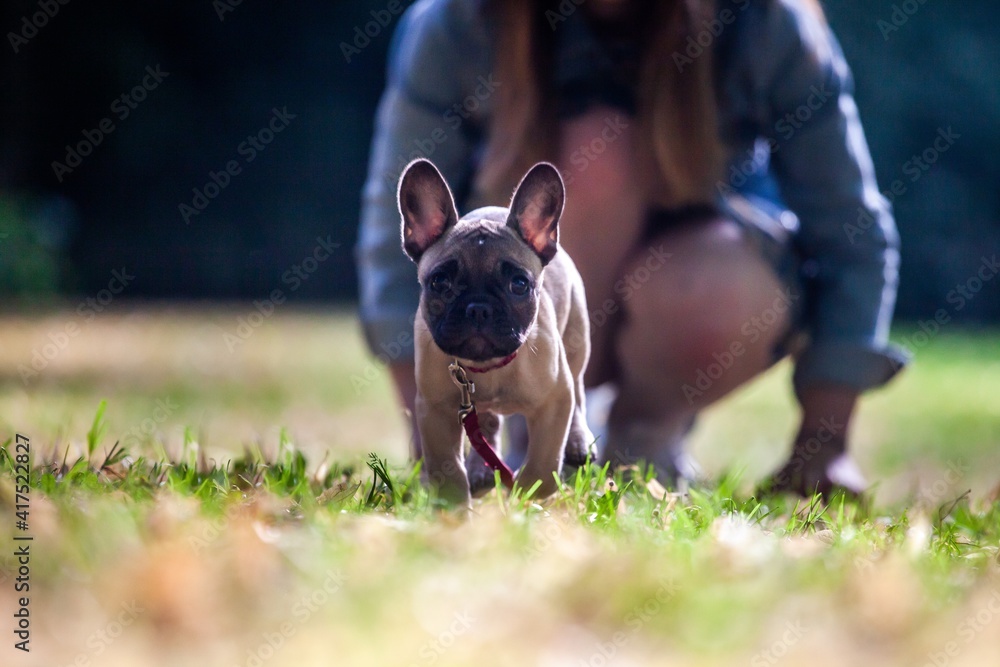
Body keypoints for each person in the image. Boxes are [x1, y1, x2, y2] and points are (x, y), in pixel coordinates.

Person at [355, 0, 907, 496]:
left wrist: (825, 444)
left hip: (701, 275)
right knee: (599, 163)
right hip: (530, 312)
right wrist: (433, 432)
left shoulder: (764, 23)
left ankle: (645, 438)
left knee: (709, 275)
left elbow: (850, 231)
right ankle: (527, 429)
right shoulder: (459, 22)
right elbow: (392, 235)